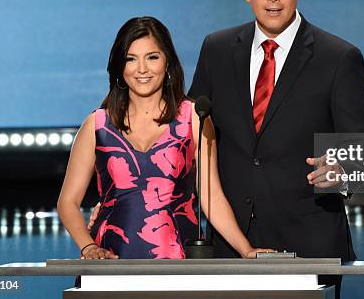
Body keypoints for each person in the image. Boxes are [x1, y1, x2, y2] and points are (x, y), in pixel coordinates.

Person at [188, 0, 364, 297]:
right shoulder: (217, 49)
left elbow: (363, 148)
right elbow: (191, 133)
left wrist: (344, 172)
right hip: (230, 246)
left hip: (308, 244)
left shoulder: (338, 57)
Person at [57, 16, 271, 260]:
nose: (142, 69)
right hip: (110, 262)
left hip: (179, 264)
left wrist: (246, 249)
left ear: (168, 62)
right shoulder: (97, 125)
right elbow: (68, 201)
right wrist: (89, 247)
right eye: (130, 59)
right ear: (119, 66)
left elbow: (212, 198)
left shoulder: (194, 118)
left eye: (152, 57)